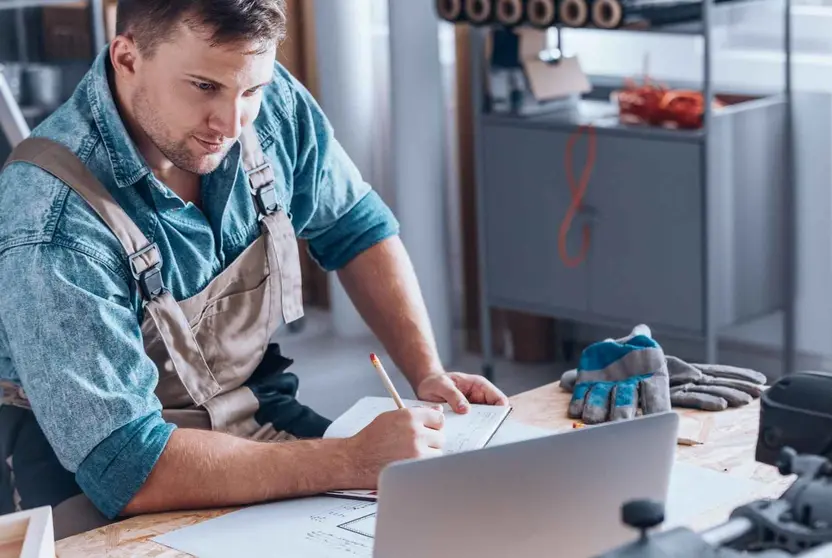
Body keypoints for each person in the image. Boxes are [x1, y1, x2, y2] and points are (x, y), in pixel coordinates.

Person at [0, 0, 508, 538]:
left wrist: (426, 372)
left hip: (249, 415)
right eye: (203, 87)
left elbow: (355, 228)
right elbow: (125, 466)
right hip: (91, 472)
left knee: (436, 527)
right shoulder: (50, 218)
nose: (231, 123)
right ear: (127, 57)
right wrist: (352, 461)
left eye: (251, 91)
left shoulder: (261, 97)